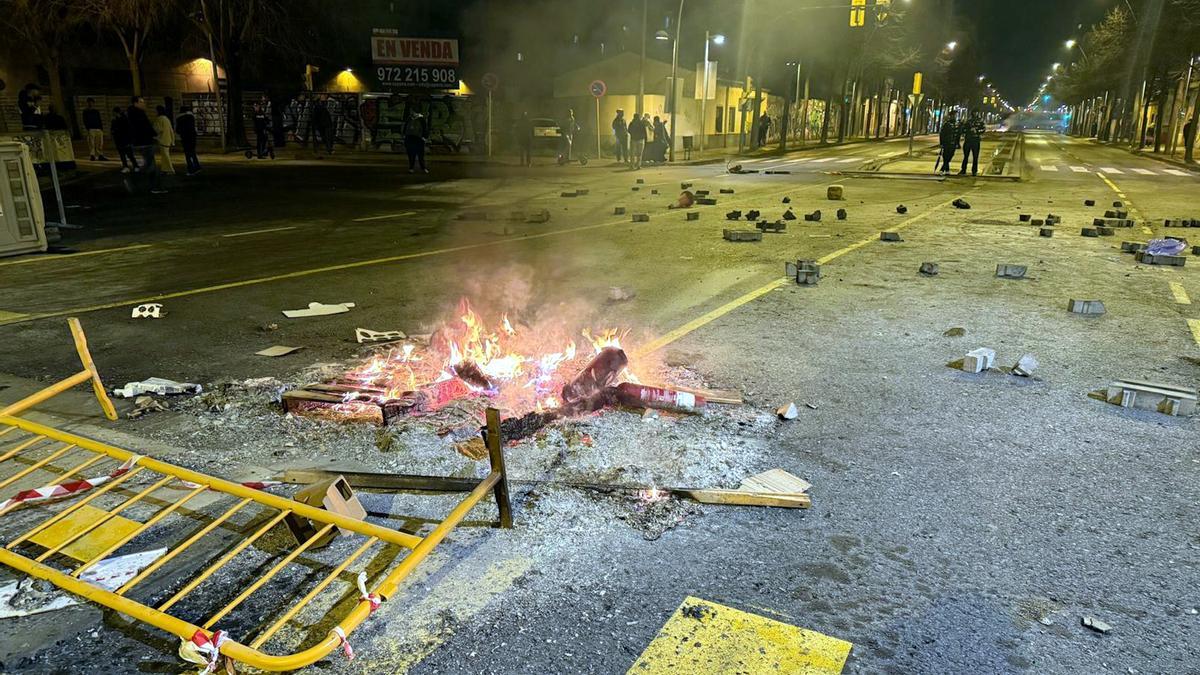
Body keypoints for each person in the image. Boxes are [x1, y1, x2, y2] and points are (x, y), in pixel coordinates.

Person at [127, 96, 164, 193]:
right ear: (135, 103)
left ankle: (137, 183)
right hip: (145, 142)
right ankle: (153, 187)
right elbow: (146, 127)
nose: (143, 104)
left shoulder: (130, 114)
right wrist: (154, 134)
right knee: (150, 166)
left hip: (138, 142)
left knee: (147, 165)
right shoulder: (139, 114)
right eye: (141, 102)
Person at [958, 110, 985, 176]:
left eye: (976, 112)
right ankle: (963, 169)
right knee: (966, 156)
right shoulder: (968, 121)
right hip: (968, 140)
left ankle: (974, 171)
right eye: (974, 113)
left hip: (976, 140)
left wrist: (977, 131)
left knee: (975, 157)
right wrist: (969, 131)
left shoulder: (980, 121)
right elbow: (963, 130)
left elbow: (983, 130)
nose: (975, 114)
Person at [176, 105, 200, 175]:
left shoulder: (179, 118)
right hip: (192, 137)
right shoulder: (191, 117)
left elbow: (178, 130)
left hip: (185, 137)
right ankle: (197, 166)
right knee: (192, 152)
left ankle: (191, 169)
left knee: (187, 154)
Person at [111, 107, 136, 173]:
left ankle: (135, 166)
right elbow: (112, 130)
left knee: (129, 154)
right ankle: (126, 166)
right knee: (123, 155)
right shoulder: (115, 120)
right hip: (119, 140)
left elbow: (128, 130)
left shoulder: (124, 119)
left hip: (125, 140)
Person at [153, 105, 176, 175]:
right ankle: (165, 169)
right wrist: (173, 140)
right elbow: (171, 130)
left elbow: (157, 129)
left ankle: (170, 170)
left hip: (162, 140)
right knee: (165, 155)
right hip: (167, 139)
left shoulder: (159, 119)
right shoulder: (166, 119)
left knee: (165, 156)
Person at [404, 108, 428, 173]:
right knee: (411, 154)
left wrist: (424, 137)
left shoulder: (421, 119)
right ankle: (411, 168)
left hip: (419, 139)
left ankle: (423, 168)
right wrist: (405, 135)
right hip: (410, 138)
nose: (411, 112)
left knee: (420, 155)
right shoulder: (409, 119)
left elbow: (425, 128)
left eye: (412, 111)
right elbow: (405, 127)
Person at [937, 110, 960, 175]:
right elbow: (942, 134)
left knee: (950, 156)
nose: (955, 117)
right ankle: (943, 169)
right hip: (947, 143)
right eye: (953, 115)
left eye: (955, 115)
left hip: (953, 143)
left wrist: (957, 143)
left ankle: (946, 169)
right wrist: (941, 143)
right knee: (946, 156)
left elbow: (958, 134)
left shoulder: (957, 124)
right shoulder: (946, 124)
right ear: (950, 116)